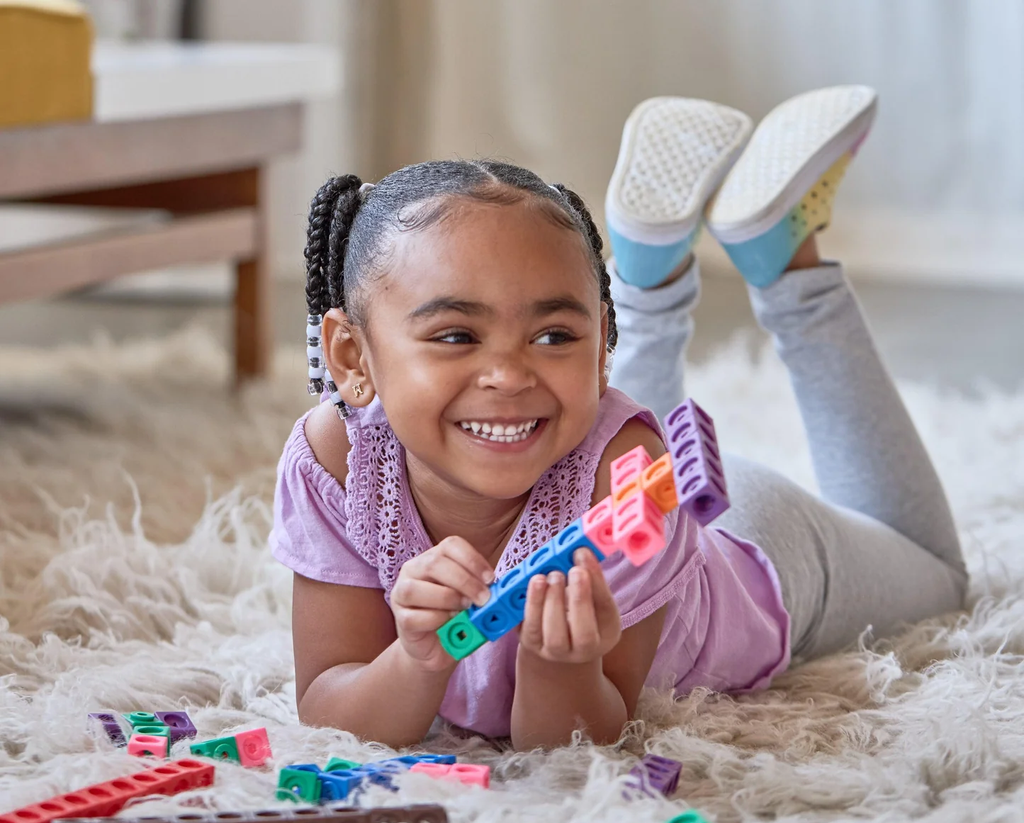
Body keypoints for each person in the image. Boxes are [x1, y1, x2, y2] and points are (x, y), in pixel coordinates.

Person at [271, 85, 967, 751]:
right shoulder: (336, 463)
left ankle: (790, 271)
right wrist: (416, 661)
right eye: (456, 336)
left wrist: (560, 664)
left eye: (556, 335)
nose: (508, 376)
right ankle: (649, 270)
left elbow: (573, 743)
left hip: (763, 559)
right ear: (351, 355)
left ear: (603, 345)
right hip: (626, 477)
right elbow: (333, 707)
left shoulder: (623, 475)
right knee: (579, 421)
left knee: (937, 574)